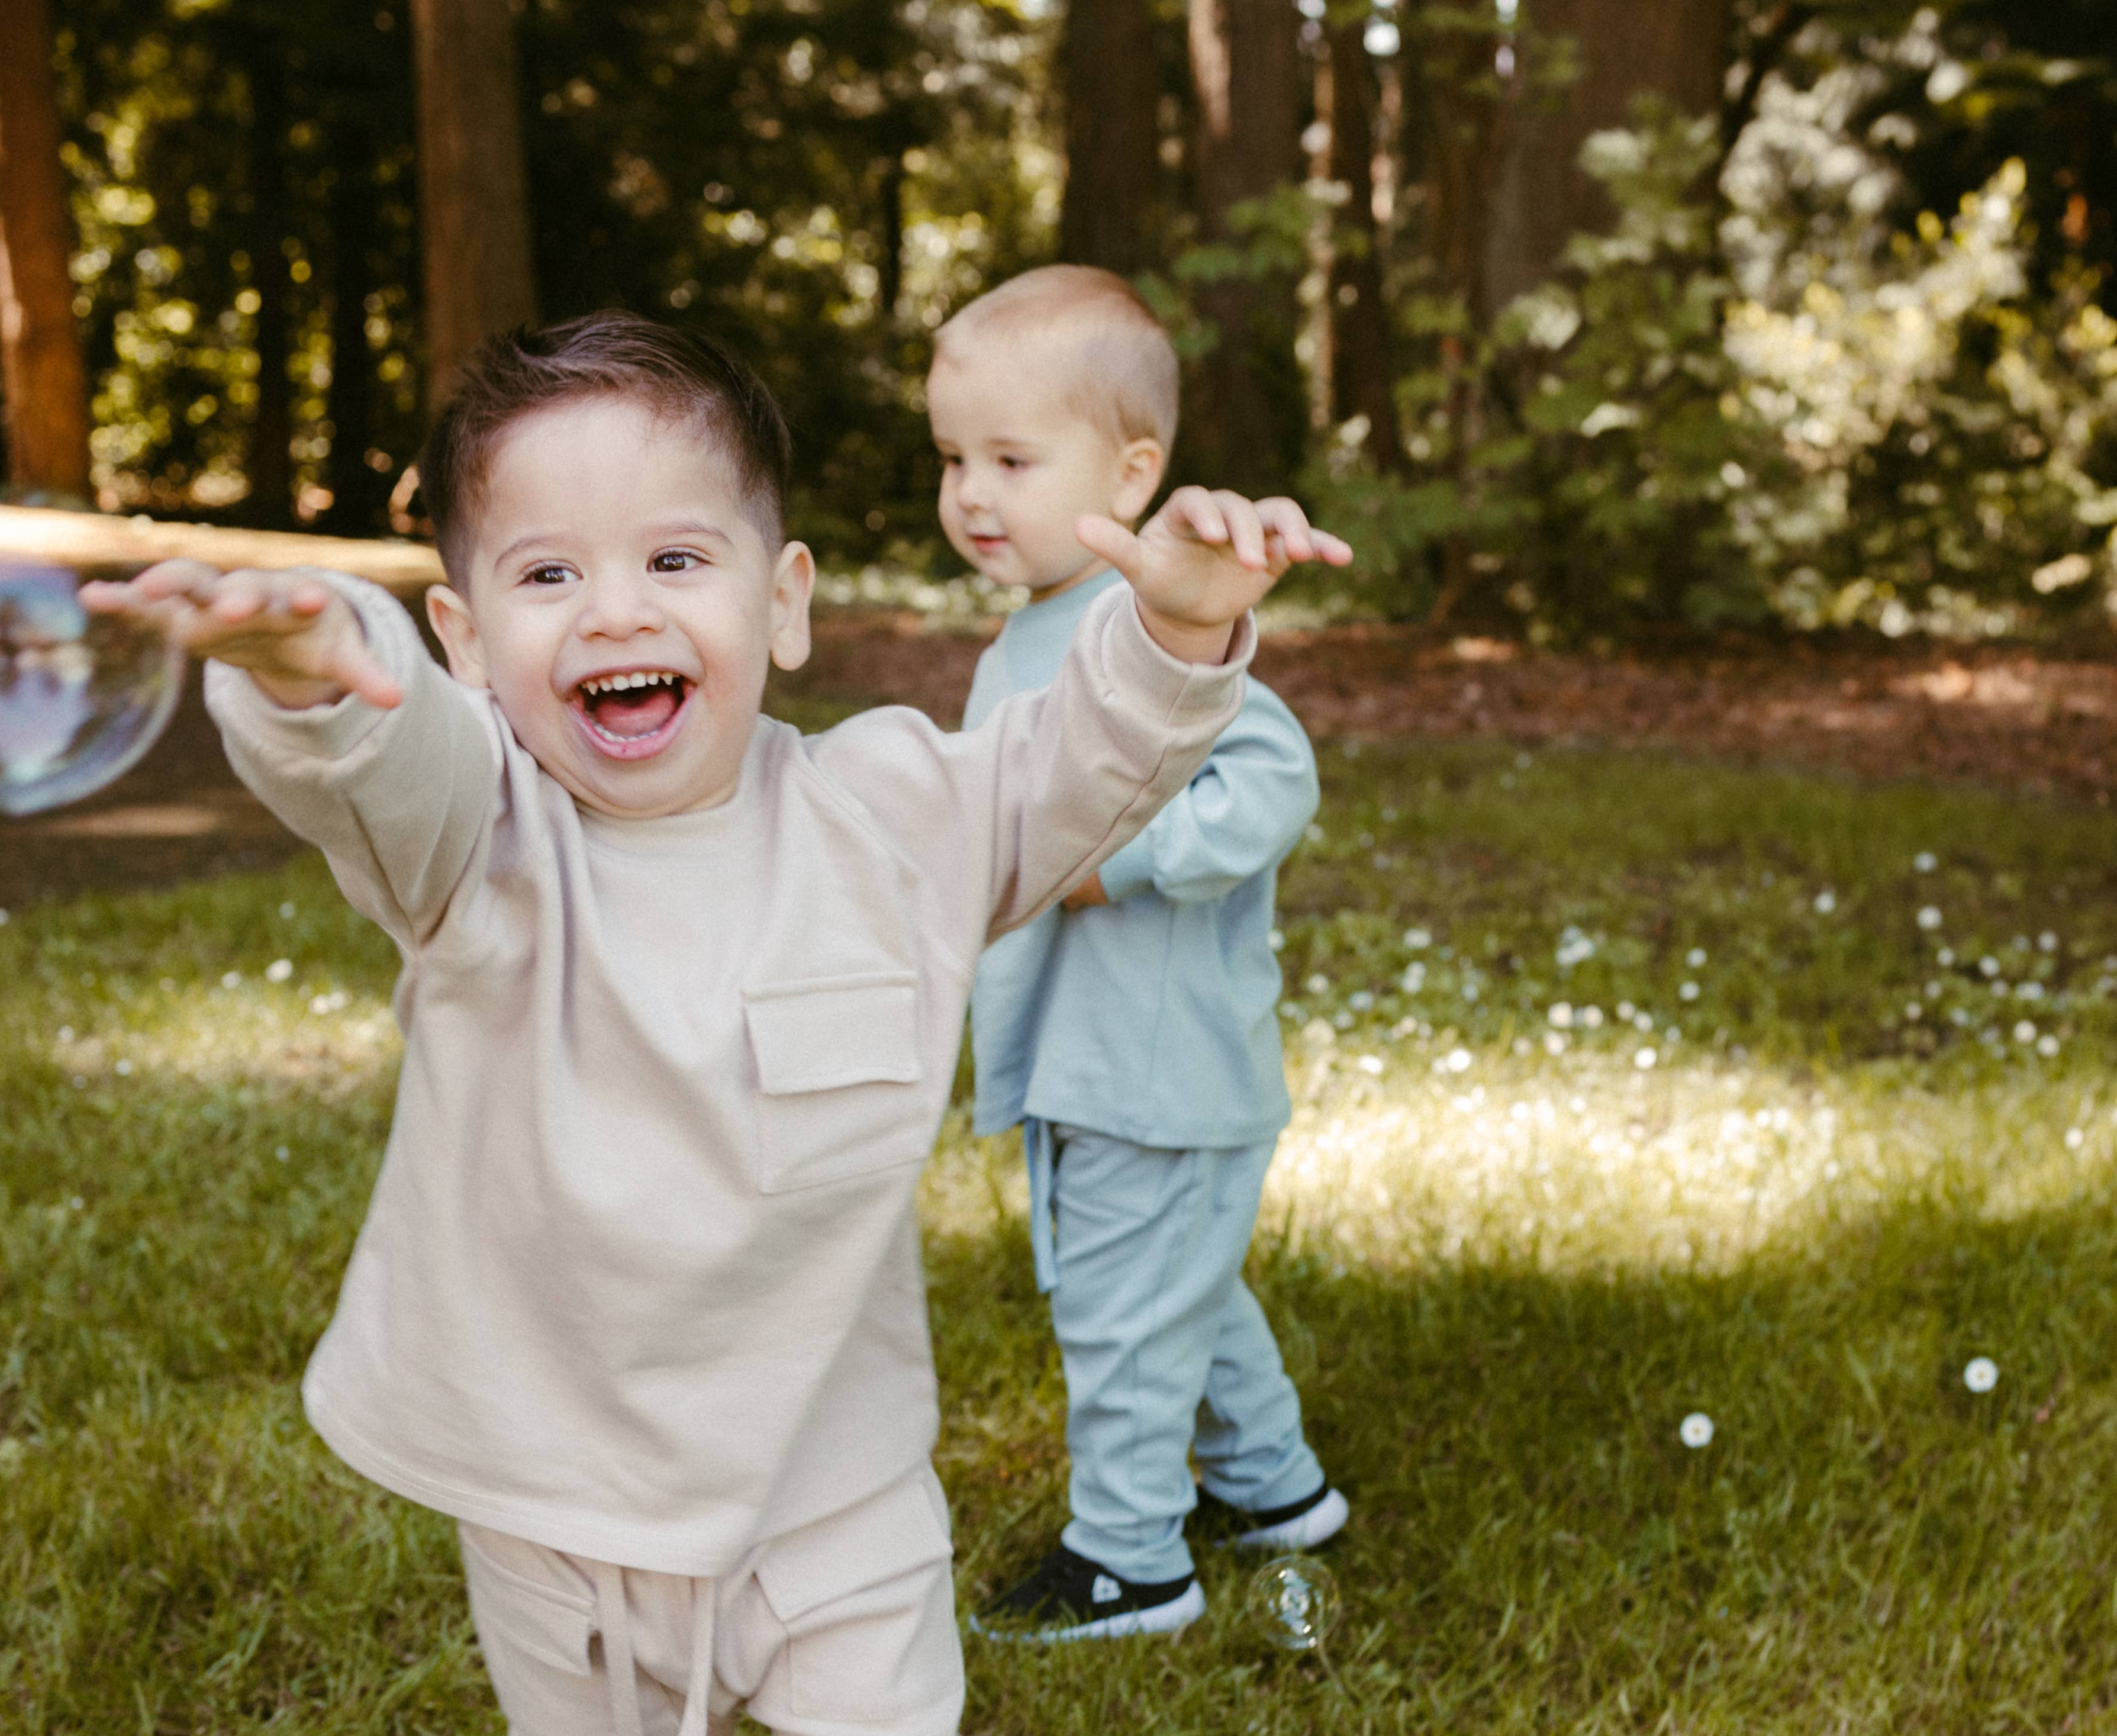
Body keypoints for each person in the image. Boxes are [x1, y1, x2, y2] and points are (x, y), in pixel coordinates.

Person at [85, 311, 1346, 1736]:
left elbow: (1071, 765)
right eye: (547, 573)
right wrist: (314, 667)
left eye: (676, 560)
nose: (616, 611)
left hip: (837, 1493)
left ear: (784, 602)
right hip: (556, 1509)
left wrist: (1177, 625)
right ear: (468, 639)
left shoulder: (894, 816)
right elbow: (380, 755)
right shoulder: (472, 845)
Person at [933, 267, 1347, 1644]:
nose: (971, 494)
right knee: (1183, 1285)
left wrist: (1125, 863)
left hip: (1151, 1064)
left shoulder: (1145, 625)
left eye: (1009, 458)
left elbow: (1271, 774)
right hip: (1089, 1054)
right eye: (952, 459)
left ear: (1131, 468)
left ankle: (1129, 1560)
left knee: (1120, 1310)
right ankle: (1275, 1490)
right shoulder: (1033, 631)